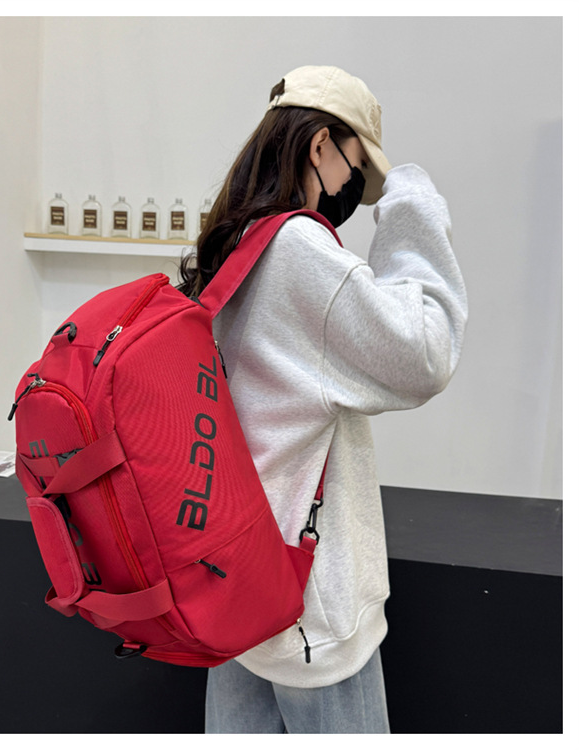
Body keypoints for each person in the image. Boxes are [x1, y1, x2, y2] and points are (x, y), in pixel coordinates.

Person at [178, 65, 468, 733]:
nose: (354, 187)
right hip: (310, 604)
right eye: (355, 166)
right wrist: (411, 200)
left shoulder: (236, 240)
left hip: (239, 584)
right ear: (319, 146)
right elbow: (425, 353)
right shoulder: (298, 250)